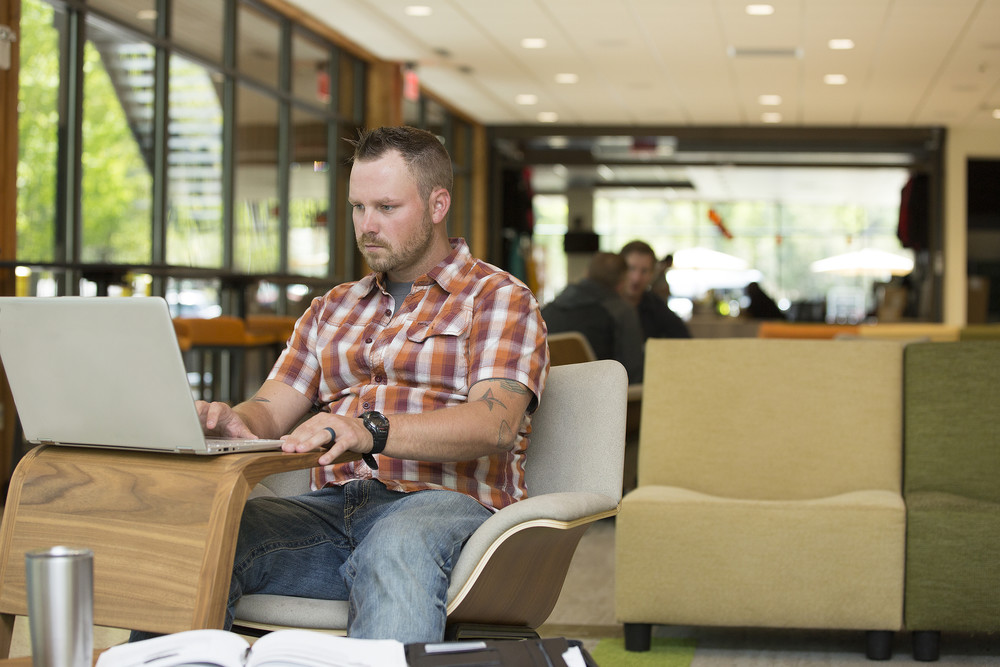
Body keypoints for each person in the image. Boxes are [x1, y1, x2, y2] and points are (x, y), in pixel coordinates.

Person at [149, 127, 549, 644]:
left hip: (448, 508)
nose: (367, 225)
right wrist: (236, 421)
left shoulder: (499, 298)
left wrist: (369, 430)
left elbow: (494, 424)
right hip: (332, 512)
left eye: (386, 207)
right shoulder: (333, 307)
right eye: (358, 207)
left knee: (397, 543)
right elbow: (271, 409)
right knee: (203, 533)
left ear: (437, 204)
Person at [541, 252, 645, 383]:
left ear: (586, 273)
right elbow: (633, 372)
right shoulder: (622, 312)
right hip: (602, 399)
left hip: (551, 397)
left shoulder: (549, 310)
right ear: (621, 283)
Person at [620, 240, 691, 340]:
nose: (637, 278)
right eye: (631, 268)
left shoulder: (656, 307)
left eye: (644, 271)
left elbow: (684, 340)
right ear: (620, 269)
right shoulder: (603, 306)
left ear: (652, 273)